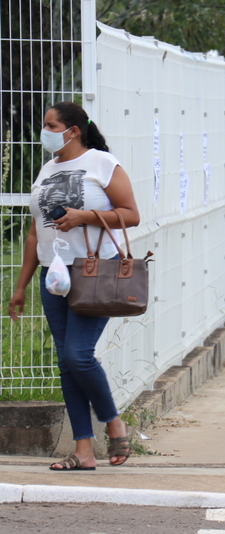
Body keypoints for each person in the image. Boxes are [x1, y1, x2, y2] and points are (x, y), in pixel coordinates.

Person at [7, 102, 139, 470]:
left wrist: (84, 216)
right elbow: (36, 233)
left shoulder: (102, 164)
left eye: (51, 125)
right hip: (55, 276)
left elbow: (131, 214)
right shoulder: (47, 169)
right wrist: (20, 287)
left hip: (96, 272)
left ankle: (113, 421)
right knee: (67, 363)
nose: (44, 131)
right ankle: (83, 451)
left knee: (77, 355)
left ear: (74, 130)